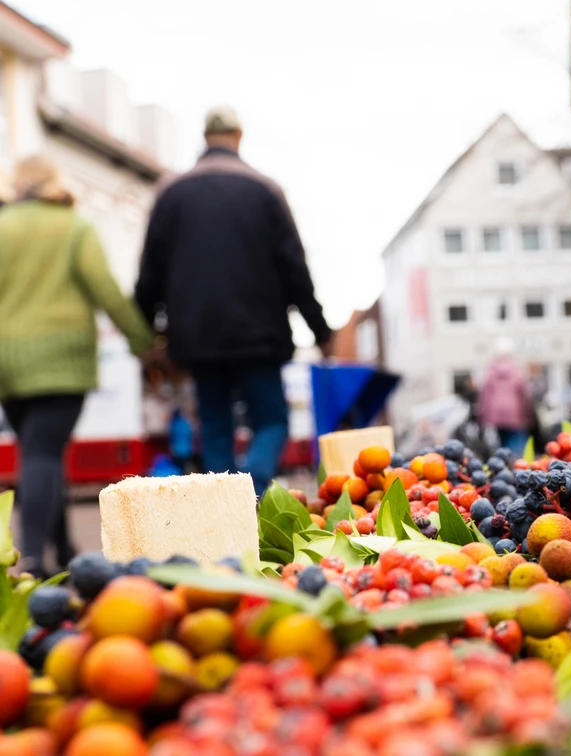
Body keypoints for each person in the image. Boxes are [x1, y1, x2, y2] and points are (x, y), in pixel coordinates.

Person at [135, 106, 333, 496]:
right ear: (238, 136)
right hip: (258, 333)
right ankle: (253, 489)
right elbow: (295, 267)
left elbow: (149, 273)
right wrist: (320, 330)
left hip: (196, 335)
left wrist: (146, 335)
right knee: (272, 420)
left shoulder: (171, 193)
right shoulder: (264, 190)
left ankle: (226, 509)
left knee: (214, 425)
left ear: (205, 138)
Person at [0, 156, 154, 576]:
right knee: (44, 454)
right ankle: (32, 557)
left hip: (7, 360)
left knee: (39, 453)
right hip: (61, 359)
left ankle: (63, 547)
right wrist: (143, 340)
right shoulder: (74, 227)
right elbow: (104, 287)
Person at [477, 338, 532, 455]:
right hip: (514, 412)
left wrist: (482, 416)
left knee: (501, 443)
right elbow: (523, 394)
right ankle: (519, 466)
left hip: (495, 414)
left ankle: (504, 466)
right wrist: (527, 415)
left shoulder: (490, 371)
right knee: (516, 443)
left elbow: (484, 396)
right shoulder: (517, 370)